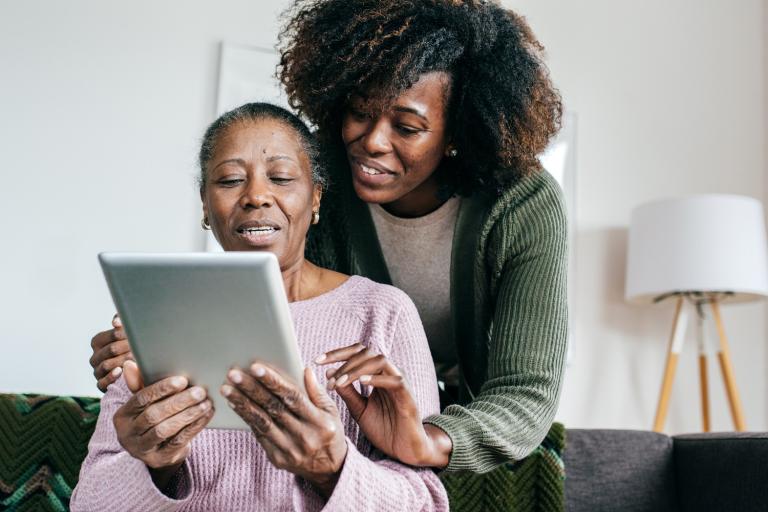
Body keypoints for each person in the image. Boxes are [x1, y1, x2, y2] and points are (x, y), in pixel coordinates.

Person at [90, 0, 568, 474]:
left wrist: (428, 441)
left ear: (456, 133)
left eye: (407, 127)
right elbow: (275, 316)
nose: (373, 141)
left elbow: (525, 391)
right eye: (359, 113)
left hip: (467, 430)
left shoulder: (522, 203)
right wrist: (152, 353)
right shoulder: (319, 182)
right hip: (360, 432)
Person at [72, 103, 448, 511]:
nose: (255, 196)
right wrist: (152, 466)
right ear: (204, 203)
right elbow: (89, 503)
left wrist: (330, 469)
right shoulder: (157, 312)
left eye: (281, 177)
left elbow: (424, 503)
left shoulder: (383, 312)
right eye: (230, 180)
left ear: (316, 196)